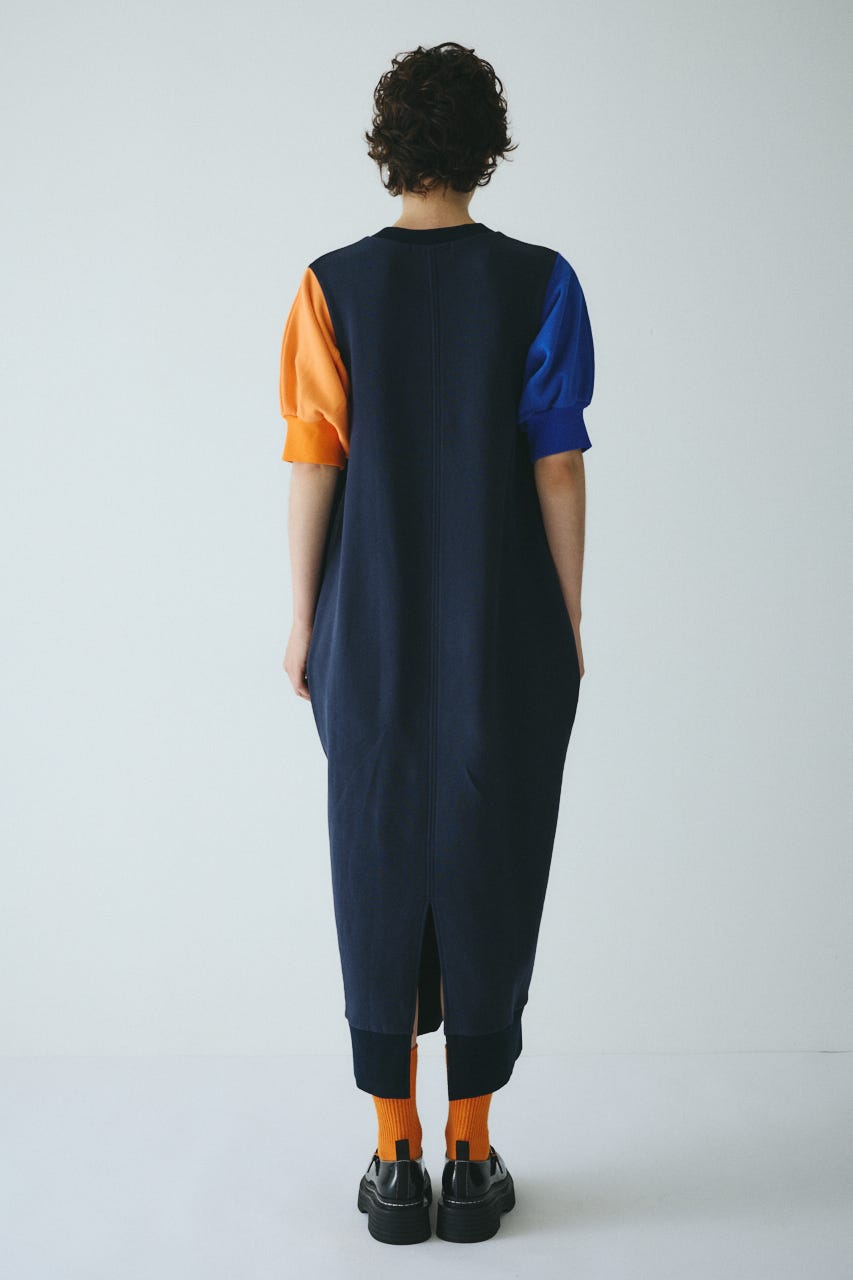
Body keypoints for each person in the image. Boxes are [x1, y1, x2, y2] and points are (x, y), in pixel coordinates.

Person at [278, 41, 593, 1245]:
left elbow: (314, 457)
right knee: (490, 853)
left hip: (368, 620)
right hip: (502, 625)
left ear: (388, 146)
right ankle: (470, 1151)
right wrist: (567, 613)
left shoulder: (328, 286)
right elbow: (556, 461)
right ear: (486, 148)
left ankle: (391, 1157)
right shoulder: (542, 280)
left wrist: (303, 616)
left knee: (374, 859)